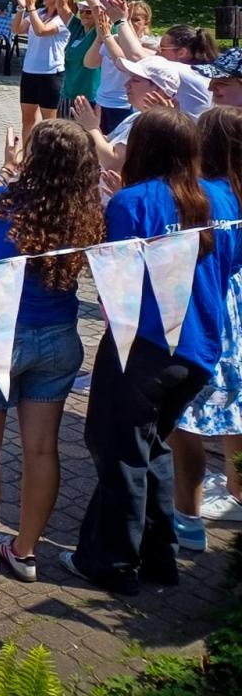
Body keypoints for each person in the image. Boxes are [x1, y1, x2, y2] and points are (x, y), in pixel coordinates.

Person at [64, 108, 238, 594]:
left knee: (118, 452)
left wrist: (118, 205)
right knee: (152, 447)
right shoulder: (223, 197)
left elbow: (111, 284)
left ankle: (113, 564)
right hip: (201, 348)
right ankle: (160, 557)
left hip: (143, 348)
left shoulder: (134, 202)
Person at [0, 121, 102, 589]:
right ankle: (26, 550)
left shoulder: (8, 200)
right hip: (59, 336)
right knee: (41, 448)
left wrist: (6, 170)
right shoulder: (89, 210)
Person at [169, 106, 242, 549]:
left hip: (207, 308)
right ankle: (238, 491)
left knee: (187, 419)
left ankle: (188, 518)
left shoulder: (203, 194)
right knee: (237, 409)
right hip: (236, 308)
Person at [85, 0, 153, 135]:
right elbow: (90, 63)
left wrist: (113, 33)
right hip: (102, 102)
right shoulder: (111, 38)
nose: (131, 24)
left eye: (136, 20)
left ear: (146, 23)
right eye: (129, 18)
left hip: (126, 106)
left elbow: (124, 61)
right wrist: (100, 36)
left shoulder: (149, 45)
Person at [11, 0, 68, 139]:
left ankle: (49, 160)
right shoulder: (40, 13)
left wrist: (31, 8)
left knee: (50, 124)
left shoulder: (64, 18)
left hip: (51, 74)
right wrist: (22, 8)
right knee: (27, 120)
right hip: (29, 72)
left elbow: (41, 30)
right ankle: (26, 158)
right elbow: (16, 29)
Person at [55, 0, 101, 117]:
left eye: (89, 11)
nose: (85, 14)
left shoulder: (101, 30)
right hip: (67, 95)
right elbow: (61, 7)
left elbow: (97, 7)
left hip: (89, 99)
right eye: (82, 10)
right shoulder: (77, 27)